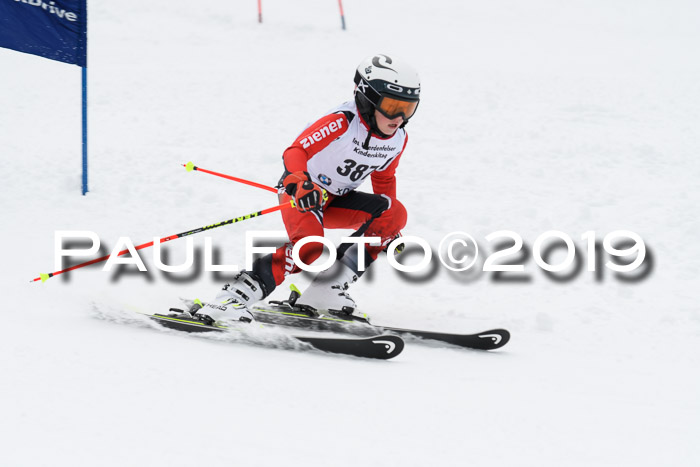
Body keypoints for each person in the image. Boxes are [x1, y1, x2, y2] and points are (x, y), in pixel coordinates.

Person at [199, 54, 421, 322]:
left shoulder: (397, 139)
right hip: (303, 194)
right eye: (392, 106)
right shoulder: (342, 121)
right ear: (367, 97)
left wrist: (388, 231)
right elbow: (297, 150)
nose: (398, 117)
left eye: (408, 109)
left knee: (394, 214)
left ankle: (326, 289)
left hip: (338, 200)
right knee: (310, 247)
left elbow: (385, 180)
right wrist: (299, 181)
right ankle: (233, 298)